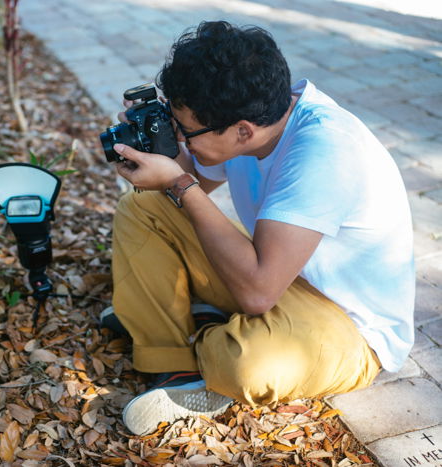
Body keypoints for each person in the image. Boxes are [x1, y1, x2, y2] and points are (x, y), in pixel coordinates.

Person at [102, 21, 415, 436]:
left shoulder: (324, 151)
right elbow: (191, 175)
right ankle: (172, 361)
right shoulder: (257, 117)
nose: (182, 138)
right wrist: (158, 147)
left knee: (249, 365)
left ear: (242, 131)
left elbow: (257, 292)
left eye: (185, 130)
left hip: (350, 326)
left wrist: (179, 183)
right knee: (145, 207)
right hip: (281, 278)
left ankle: (188, 322)